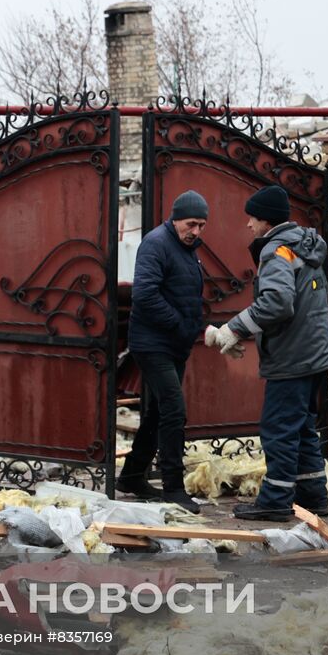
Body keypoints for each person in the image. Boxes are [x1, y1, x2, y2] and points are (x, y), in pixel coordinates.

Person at [208, 185, 328, 521]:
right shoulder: (304, 246)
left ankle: (275, 500)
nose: (249, 225)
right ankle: (313, 497)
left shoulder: (276, 250)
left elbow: (277, 303)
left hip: (292, 357)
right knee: (303, 427)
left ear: (266, 220)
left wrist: (234, 328)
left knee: (279, 428)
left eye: (252, 218)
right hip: (314, 353)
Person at [116, 190, 209, 513]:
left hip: (174, 345)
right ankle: (173, 487)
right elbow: (145, 295)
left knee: (156, 413)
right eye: (191, 224)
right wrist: (182, 325)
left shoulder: (189, 249)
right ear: (176, 219)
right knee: (173, 411)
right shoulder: (156, 244)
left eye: (201, 225)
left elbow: (185, 294)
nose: (196, 231)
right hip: (152, 344)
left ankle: (131, 476)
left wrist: (194, 326)